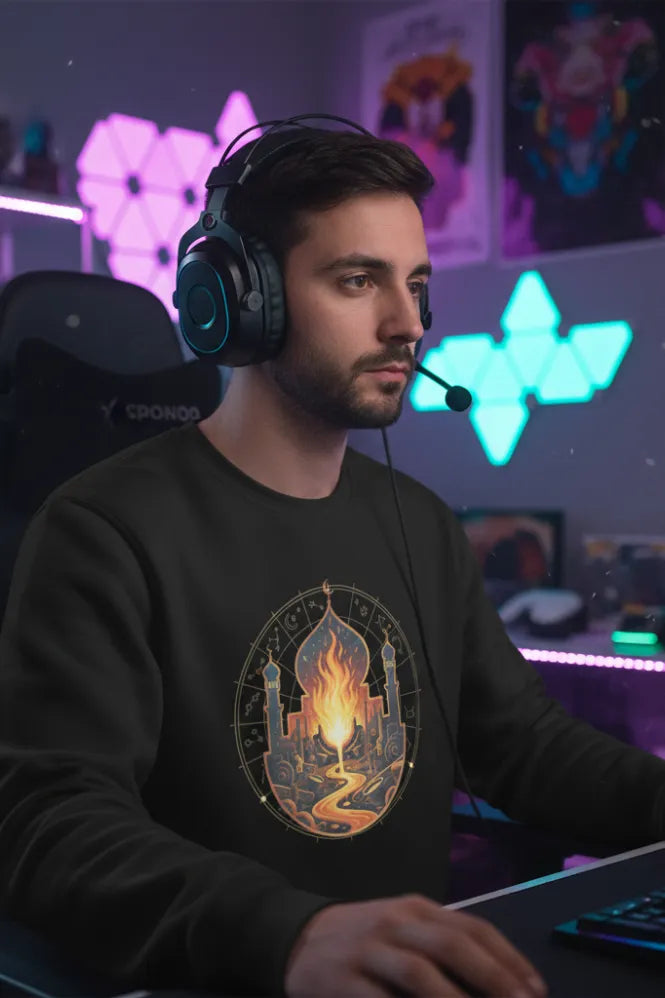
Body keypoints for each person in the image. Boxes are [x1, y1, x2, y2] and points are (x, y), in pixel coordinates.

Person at [0, 121, 663, 998]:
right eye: (358, 280)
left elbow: (522, 746)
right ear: (242, 300)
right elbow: (49, 819)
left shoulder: (420, 524)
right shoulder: (105, 529)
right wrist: (288, 933)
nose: (406, 324)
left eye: (416, 285)